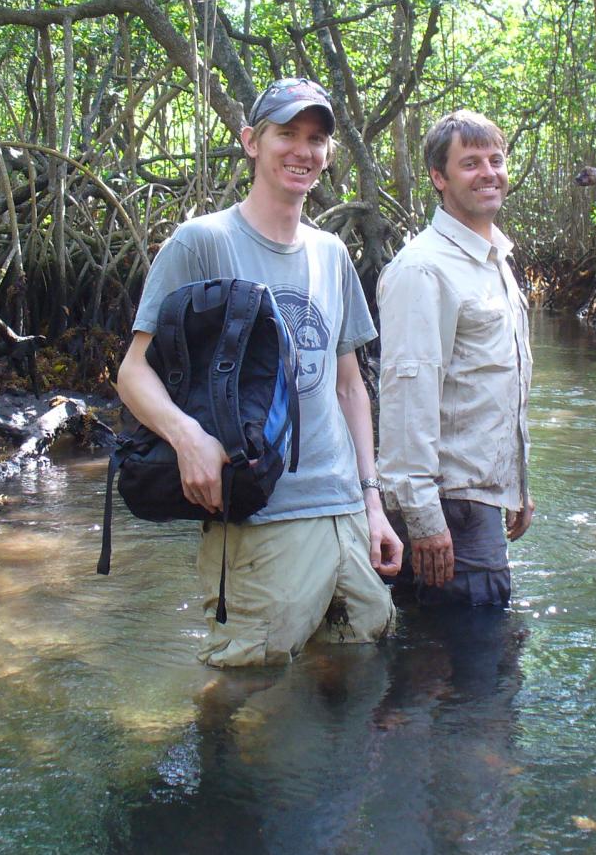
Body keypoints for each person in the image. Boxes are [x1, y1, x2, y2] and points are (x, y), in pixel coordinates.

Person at [116, 76, 403, 667]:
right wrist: (187, 436)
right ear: (251, 141)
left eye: (317, 138)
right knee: (249, 696)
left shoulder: (332, 252)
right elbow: (132, 374)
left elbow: (349, 385)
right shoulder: (201, 242)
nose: (304, 150)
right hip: (260, 516)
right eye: (287, 134)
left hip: (344, 511)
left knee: (353, 674)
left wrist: (372, 504)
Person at [376, 109, 533, 606]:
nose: (488, 173)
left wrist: (518, 486)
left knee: (467, 665)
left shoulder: (494, 262)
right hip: (448, 509)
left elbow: (493, 387)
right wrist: (423, 520)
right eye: (470, 163)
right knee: (468, 668)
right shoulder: (423, 269)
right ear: (439, 178)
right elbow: (407, 396)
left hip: (480, 498)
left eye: (496, 159)